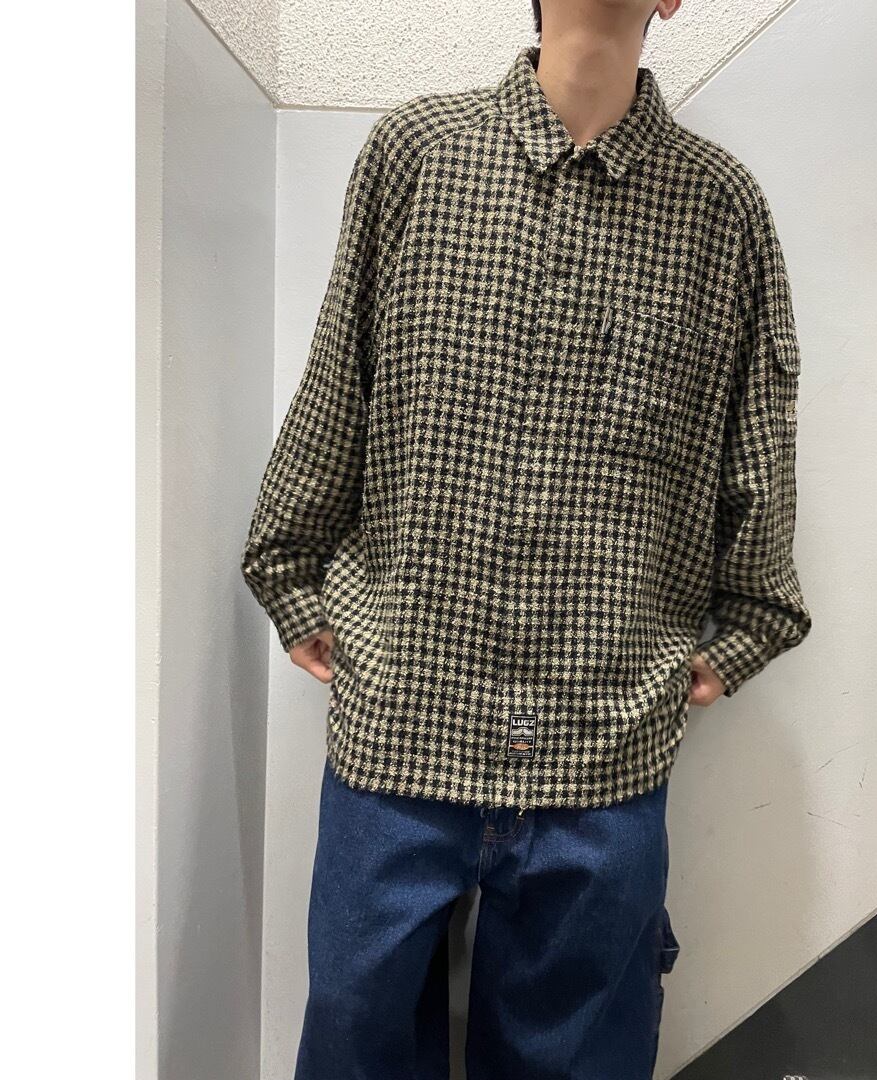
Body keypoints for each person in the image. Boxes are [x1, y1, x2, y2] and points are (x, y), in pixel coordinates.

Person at [241, 1, 812, 1075]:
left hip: (605, 753)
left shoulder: (719, 208)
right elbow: (340, 373)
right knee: (357, 1043)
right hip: (401, 720)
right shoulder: (417, 153)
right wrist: (290, 569)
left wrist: (745, 631)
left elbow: (760, 435)